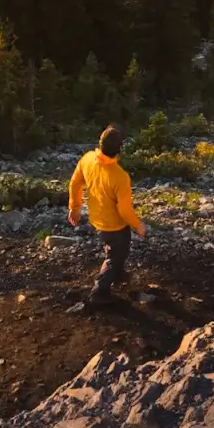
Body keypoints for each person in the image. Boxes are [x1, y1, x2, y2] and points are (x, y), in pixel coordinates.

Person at [67, 124, 145, 305]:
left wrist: (75, 207)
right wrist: (138, 225)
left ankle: (118, 277)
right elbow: (124, 210)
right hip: (115, 226)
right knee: (116, 255)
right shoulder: (120, 176)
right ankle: (99, 292)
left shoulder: (87, 159)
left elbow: (74, 183)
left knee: (114, 251)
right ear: (120, 149)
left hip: (96, 220)